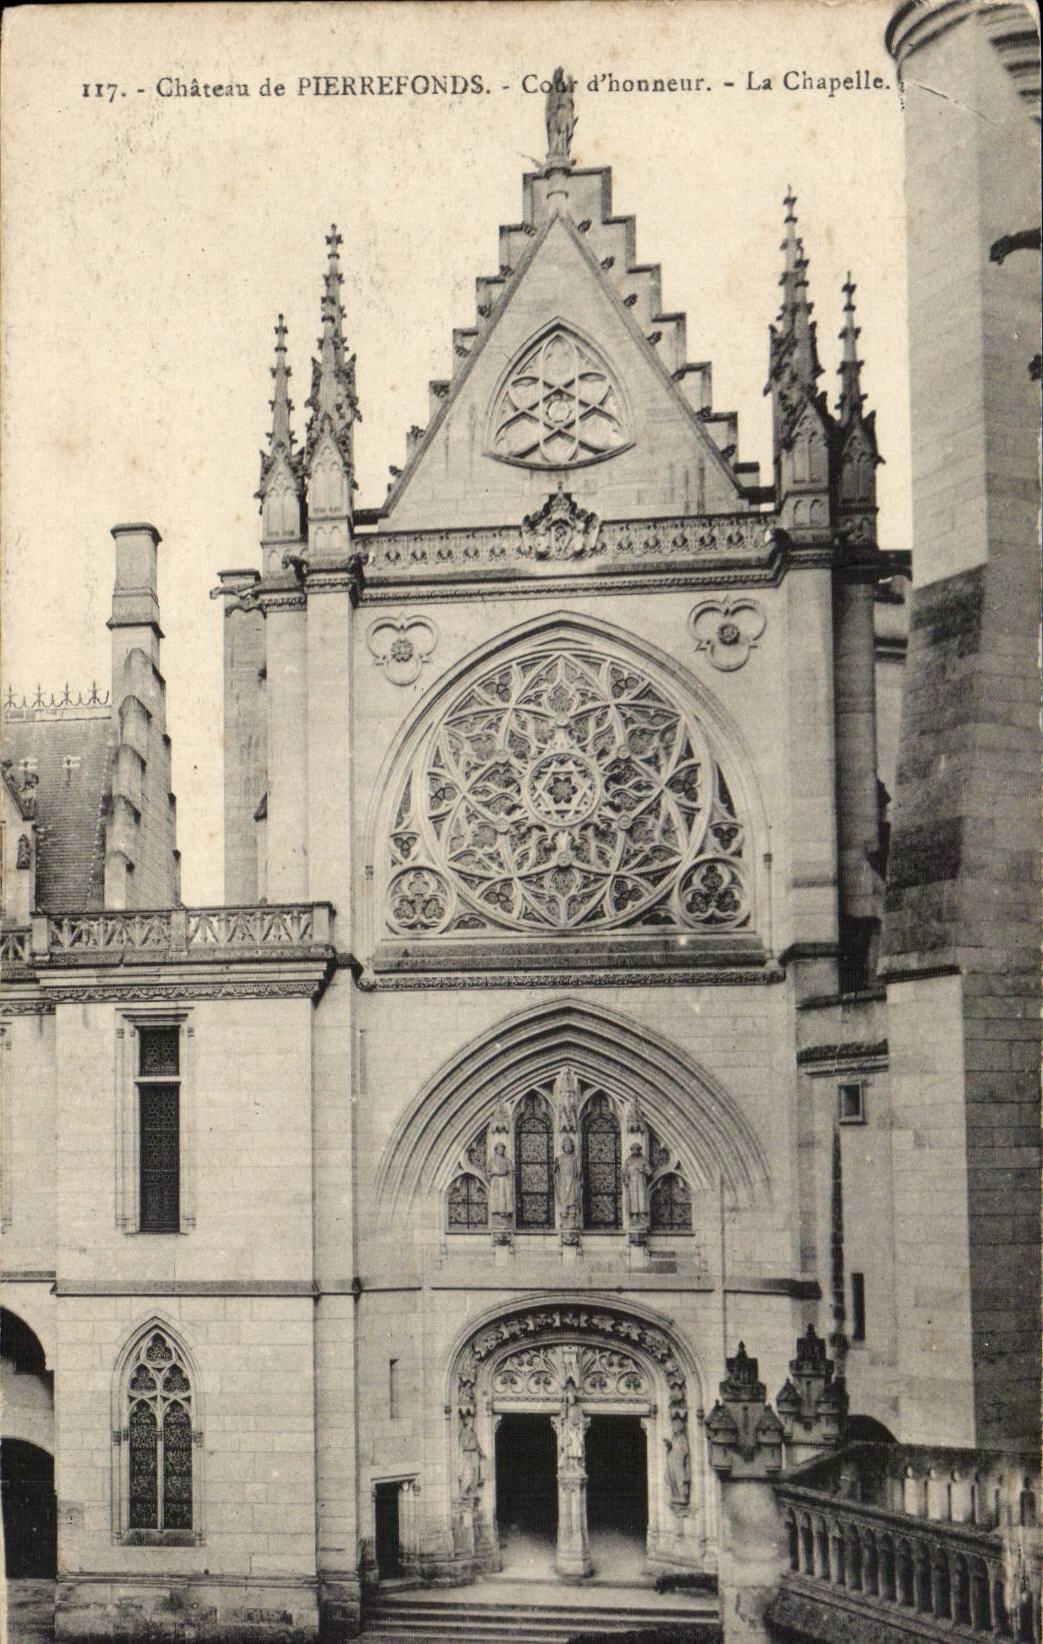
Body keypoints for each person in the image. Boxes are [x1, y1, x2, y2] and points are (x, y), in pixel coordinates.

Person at [554, 1134, 581, 1228]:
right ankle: (564, 1219)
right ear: (563, 1147)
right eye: (566, 1146)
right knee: (564, 1200)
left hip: (573, 1183)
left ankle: (572, 1220)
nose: (568, 1147)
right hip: (563, 1183)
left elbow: (579, 1172)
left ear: (572, 1147)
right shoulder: (560, 1158)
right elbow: (555, 1171)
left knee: (573, 1200)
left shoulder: (575, 1158)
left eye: (569, 1145)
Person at [623, 1142, 652, 1220]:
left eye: (637, 1149)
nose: (635, 1151)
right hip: (631, 1183)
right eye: (633, 1150)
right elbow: (624, 1172)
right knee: (633, 1198)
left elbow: (649, 1171)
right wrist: (626, 1178)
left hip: (641, 1181)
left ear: (639, 1150)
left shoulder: (643, 1160)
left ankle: (642, 1213)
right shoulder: (628, 1160)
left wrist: (642, 1170)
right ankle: (634, 1214)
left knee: (641, 1197)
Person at [488, 1142, 513, 1221]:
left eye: (502, 1149)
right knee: (496, 1196)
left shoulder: (507, 1161)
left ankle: (504, 1212)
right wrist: (494, 1173)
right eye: (499, 1149)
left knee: (504, 1196)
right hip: (495, 1181)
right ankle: (496, 1211)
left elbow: (511, 1171)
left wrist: (507, 1173)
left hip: (504, 1181)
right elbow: (488, 1172)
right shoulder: (492, 1161)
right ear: (496, 1150)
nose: (501, 1151)